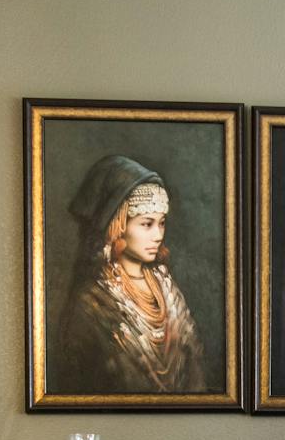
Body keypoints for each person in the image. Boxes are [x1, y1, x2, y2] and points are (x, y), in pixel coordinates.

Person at [53, 155, 208, 395]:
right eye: (147, 224)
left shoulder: (166, 288)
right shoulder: (92, 302)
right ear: (118, 225)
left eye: (162, 223)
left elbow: (194, 371)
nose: (158, 235)